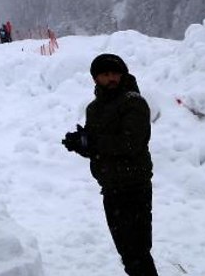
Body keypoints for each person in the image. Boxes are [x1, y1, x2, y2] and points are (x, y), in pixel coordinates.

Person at [62, 53, 158, 276]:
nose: (112, 78)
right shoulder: (94, 109)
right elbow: (102, 150)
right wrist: (81, 145)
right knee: (127, 252)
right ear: (96, 78)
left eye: (116, 73)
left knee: (138, 252)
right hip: (111, 188)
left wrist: (92, 141)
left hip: (135, 187)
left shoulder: (134, 102)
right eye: (105, 74)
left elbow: (130, 143)